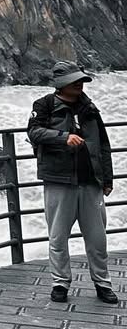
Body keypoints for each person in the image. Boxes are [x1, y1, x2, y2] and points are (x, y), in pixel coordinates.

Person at [27, 60, 117, 305]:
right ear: (60, 83)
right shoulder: (44, 104)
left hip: (90, 182)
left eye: (81, 79)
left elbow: (104, 145)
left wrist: (107, 179)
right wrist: (63, 138)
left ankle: (102, 283)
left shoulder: (89, 107)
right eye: (74, 80)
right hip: (59, 180)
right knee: (58, 237)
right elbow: (34, 132)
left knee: (97, 239)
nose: (79, 83)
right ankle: (60, 284)